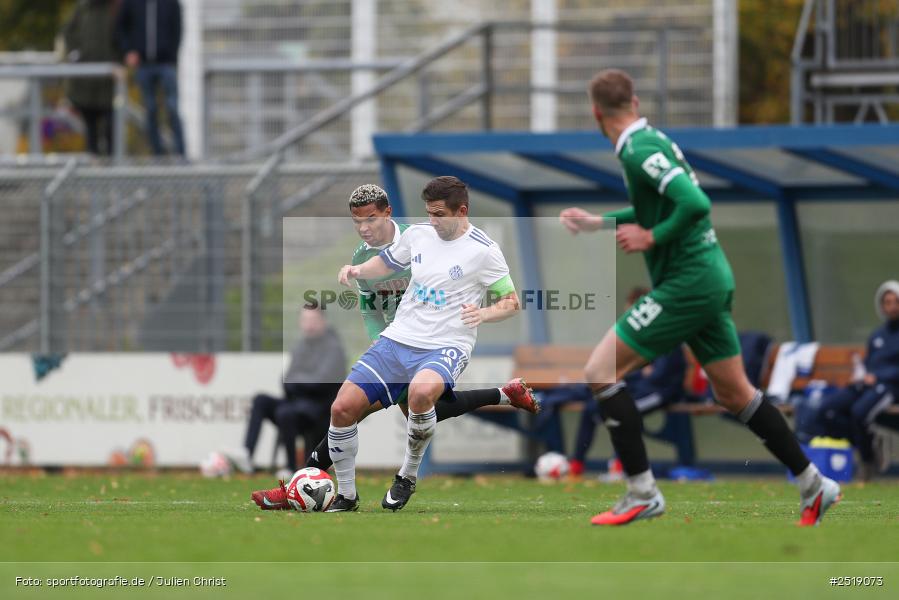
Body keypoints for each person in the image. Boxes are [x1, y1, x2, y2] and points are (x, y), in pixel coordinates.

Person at [558, 68, 840, 526]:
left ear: (595, 114)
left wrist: (652, 237)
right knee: (733, 393)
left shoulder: (637, 149)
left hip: (688, 282)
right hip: (709, 276)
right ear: (634, 101)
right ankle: (814, 484)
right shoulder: (651, 139)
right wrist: (599, 222)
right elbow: (665, 203)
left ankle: (641, 492)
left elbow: (695, 203)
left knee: (600, 370)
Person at [251, 183, 539, 511]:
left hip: (445, 345)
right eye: (428, 213)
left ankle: (401, 477)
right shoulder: (414, 236)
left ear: (462, 212)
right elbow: (376, 283)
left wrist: (483, 312)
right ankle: (341, 495)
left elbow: (511, 301)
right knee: (344, 408)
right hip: (397, 340)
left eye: (439, 214)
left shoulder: (483, 249)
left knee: (419, 397)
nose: (432, 221)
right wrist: (357, 274)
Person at [568, 286, 687, 478]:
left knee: (626, 410)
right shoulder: (634, 337)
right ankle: (576, 464)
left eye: (631, 312)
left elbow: (658, 375)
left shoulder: (665, 331)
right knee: (591, 408)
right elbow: (632, 371)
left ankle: (621, 465)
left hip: (661, 392)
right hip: (640, 389)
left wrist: (642, 370)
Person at [235, 307, 346, 476]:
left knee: (286, 412)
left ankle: (292, 468)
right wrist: (302, 380)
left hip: (319, 410)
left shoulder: (333, 347)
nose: (309, 326)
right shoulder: (300, 346)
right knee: (260, 400)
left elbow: (319, 383)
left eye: (313, 321)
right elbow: (286, 380)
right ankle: (246, 455)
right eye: (305, 321)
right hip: (296, 404)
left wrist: (298, 380)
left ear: (323, 321)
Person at [814, 280, 899, 480]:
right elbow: (869, 363)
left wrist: (879, 376)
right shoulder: (877, 335)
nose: (892, 306)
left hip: (889, 387)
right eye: (887, 302)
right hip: (866, 385)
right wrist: (861, 375)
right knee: (826, 410)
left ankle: (867, 462)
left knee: (859, 413)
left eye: (896, 301)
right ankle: (869, 443)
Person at [116, 0, 185, 156]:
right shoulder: (132, 3)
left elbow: (178, 29)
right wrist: (128, 50)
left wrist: (172, 56)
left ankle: (181, 154)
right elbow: (121, 27)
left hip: (166, 64)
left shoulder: (171, 3)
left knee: (172, 108)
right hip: (144, 65)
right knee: (150, 109)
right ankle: (157, 155)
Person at [63, 0, 119, 155]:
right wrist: (76, 54)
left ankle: (112, 162)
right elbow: (68, 32)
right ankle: (94, 161)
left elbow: (124, 35)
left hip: (109, 80)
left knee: (111, 125)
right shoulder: (82, 8)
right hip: (86, 81)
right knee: (90, 124)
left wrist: (118, 59)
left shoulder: (115, 7)